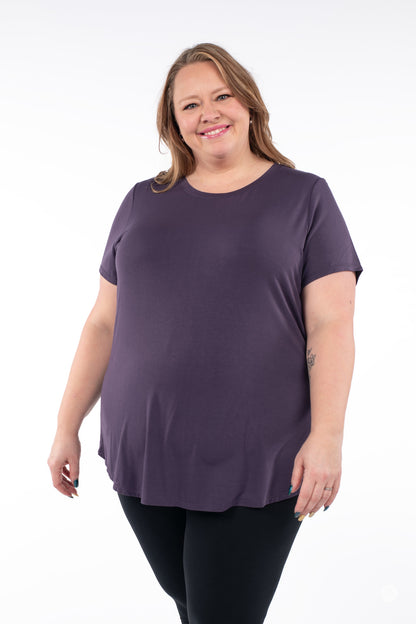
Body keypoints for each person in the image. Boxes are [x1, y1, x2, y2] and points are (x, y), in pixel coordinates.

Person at [47, 42, 364, 624]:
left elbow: (331, 324)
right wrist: (67, 427)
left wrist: (327, 436)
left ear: (249, 104)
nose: (208, 113)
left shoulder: (305, 198)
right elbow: (102, 322)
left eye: (222, 96)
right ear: (174, 123)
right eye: (190, 104)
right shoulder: (141, 202)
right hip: (145, 451)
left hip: (258, 454)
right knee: (194, 606)